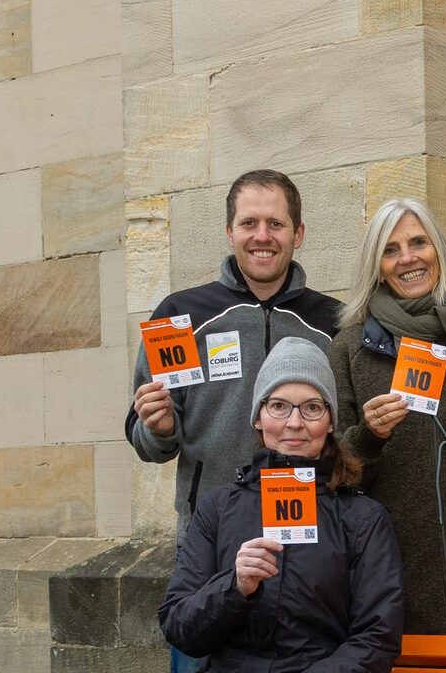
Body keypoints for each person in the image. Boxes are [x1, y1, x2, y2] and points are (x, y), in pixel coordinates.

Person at [128, 169, 342, 673]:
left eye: (276, 223)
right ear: (230, 231)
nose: (262, 236)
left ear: (298, 233)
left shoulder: (333, 321)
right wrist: (158, 429)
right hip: (210, 538)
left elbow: (343, 427)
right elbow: (145, 436)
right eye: (249, 223)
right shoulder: (182, 314)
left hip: (313, 535)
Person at [326, 198, 446, 635]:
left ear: (439, 253)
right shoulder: (348, 349)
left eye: (418, 243)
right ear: (377, 268)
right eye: (390, 250)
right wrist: (369, 435)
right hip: (391, 572)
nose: (407, 258)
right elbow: (330, 472)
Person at [162, 337, 403, 673]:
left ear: (330, 422)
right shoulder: (216, 507)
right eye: (279, 406)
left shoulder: (363, 518)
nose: (294, 422)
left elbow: (377, 638)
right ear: (258, 417)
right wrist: (234, 586)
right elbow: (179, 629)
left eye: (312, 408)